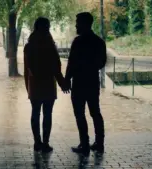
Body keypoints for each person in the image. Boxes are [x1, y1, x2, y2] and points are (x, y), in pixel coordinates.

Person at [64, 12, 107, 156]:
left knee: (80, 114)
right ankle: (99, 143)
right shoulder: (99, 41)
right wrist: (91, 67)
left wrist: (66, 80)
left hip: (79, 83)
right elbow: (102, 63)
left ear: (84, 23)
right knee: (95, 113)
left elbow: (71, 62)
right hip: (93, 82)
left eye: (78, 22)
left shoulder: (78, 41)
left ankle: (84, 144)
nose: (76, 25)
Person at [24, 17, 68, 153]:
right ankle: (46, 143)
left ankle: (37, 142)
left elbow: (27, 67)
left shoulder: (29, 45)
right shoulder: (50, 44)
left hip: (35, 83)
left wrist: (28, 87)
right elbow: (56, 66)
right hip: (48, 84)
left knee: (35, 113)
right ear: (46, 27)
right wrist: (62, 83)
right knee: (47, 114)